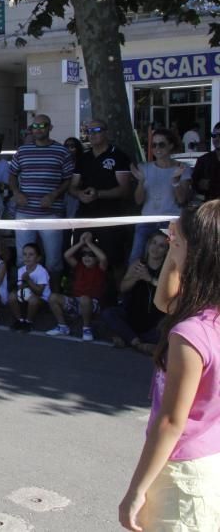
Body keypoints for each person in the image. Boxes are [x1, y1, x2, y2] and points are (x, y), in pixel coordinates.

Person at [119, 204, 220, 530]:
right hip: (208, 463)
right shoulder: (207, 315)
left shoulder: (191, 334)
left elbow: (171, 422)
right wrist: (179, 249)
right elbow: (166, 301)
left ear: (199, 253)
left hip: (182, 475)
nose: (169, 242)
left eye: (177, 240)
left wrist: (136, 490)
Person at [8, 114, 74, 291]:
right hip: (24, 212)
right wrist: (16, 192)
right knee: (23, 259)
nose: (38, 129)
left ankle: (53, 297)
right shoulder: (22, 151)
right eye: (35, 126)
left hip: (51, 214)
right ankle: (24, 296)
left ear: (50, 127)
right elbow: (12, 175)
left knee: (53, 260)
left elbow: (68, 180)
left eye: (42, 126)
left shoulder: (62, 151)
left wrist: (54, 194)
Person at [69, 118, 132, 276]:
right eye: (89, 131)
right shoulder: (83, 158)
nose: (92, 134)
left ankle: (117, 297)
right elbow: (72, 186)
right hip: (85, 216)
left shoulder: (119, 156)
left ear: (106, 132)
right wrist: (79, 194)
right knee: (80, 256)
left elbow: (125, 190)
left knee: (113, 259)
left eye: (97, 130)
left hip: (111, 215)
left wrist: (99, 194)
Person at [129, 128, 190, 264]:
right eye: (153, 145)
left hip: (172, 222)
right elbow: (138, 201)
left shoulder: (182, 168)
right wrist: (141, 182)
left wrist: (175, 182)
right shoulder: (144, 168)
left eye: (161, 144)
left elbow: (182, 199)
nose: (157, 148)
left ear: (171, 145)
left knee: (176, 262)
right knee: (135, 258)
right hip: (147, 221)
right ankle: (136, 285)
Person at [104, 231, 169, 355]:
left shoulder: (168, 269)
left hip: (155, 322)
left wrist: (150, 279)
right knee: (109, 313)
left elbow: (170, 292)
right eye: (153, 243)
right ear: (148, 245)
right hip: (133, 316)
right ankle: (137, 343)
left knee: (170, 327)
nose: (155, 248)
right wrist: (136, 278)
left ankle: (128, 338)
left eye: (161, 246)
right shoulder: (138, 264)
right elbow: (123, 288)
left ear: (166, 250)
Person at [46, 232, 108, 341]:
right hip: (75, 302)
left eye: (91, 255)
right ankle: (62, 326)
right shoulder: (79, 266)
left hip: (92, 304)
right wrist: (81, 243)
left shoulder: (100, 268)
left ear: (96, 257)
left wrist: (89, 243)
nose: (86, 257)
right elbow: (67, 255)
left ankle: (86, 328)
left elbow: (103, 258)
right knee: (53, 297)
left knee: (85, 298)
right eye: (84, 254)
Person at [8, 242, 52, 332]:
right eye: (24, 254)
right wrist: (22, 287)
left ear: (38, 258)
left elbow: (40, 292)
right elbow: (20, 287)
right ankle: (19, 320)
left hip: (42, 298)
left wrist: (28, 280)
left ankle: (28, 322)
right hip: (28, 294)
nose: (27, 257)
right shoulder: (21, 270)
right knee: (12, 296)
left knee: (33, 299)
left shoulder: (41, 271)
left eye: (31, 254)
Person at [190, 122, 220, 202]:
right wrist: (200, 185)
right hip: (211, 208)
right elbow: (194, 186)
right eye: (214, 136)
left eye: (219, 135)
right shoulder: (203, 160)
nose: (217, 138)